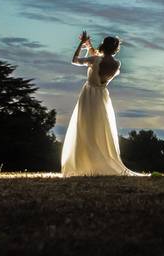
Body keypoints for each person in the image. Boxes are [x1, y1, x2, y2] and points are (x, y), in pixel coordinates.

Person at [61, 31, 144, 176]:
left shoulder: (95, 60)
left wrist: (82, 43)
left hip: (88, 95)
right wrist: (89, 45)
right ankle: (96, 161)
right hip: (102, 96)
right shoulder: (116, 64)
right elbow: (97, 57)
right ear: (115, 49)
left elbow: (75, 60)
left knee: (85, 127)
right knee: (99, 128)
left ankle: (85, 163)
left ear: (103, 46)